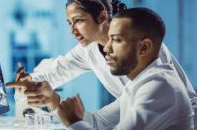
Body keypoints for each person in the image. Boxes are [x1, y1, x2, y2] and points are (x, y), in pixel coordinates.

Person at [6, 0, 196, 119]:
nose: (72, 30)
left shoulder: (139, 44)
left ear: (102, 16)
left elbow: (154, 98)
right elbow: (58, 70)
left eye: (79, 20)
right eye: (69, 23)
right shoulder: (88, 49)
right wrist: (30, 82)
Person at [56, 7, 194, 130]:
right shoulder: (137, 84)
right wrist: (54, 101)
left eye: (116, 40)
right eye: (109, 39)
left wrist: (74, 121)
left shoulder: (160, 87)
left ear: (144, 47)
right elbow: (99, 123)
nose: (106, 48)